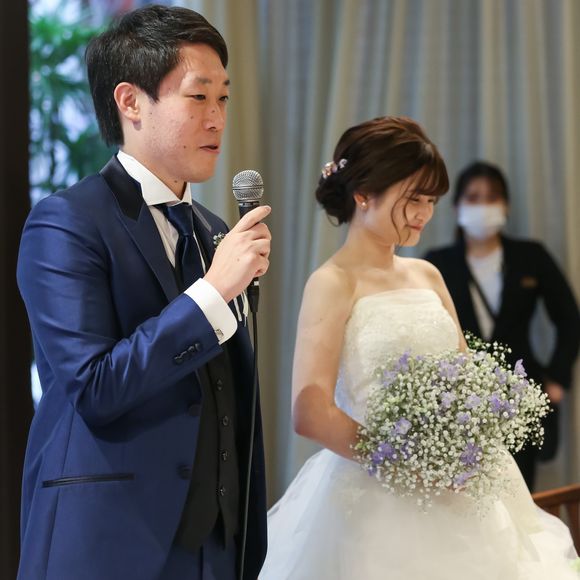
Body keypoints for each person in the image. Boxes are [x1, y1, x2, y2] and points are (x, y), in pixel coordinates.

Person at [260, 117, 578, 579]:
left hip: (459, 489)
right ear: (363, 194)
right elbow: (309, 411)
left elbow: (466, 379)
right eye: (413, 199)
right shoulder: (331, 282)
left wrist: (466, 445)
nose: (424, 213)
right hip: (374, 495)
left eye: (431, 201)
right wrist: (405, 465)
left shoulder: (427, 274)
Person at [16, 6, 270, 580]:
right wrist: (213, 293)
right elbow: (95, 387)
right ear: (130, 102)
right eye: (198, 97)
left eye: (224, 98)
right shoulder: (67, 222)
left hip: (219, 547)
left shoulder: (211, 229)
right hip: (112, 541)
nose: (217, 118)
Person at [424, 161, 580, 490]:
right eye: (473, 197)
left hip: (520, 395)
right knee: (463, 495)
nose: (483, 205)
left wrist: (557, 378)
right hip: (459, 401)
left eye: (492, 197)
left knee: (519, 491)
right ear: (456, 207)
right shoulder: (436, 263)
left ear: (506, 205)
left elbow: (569, 318)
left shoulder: (530, 256)